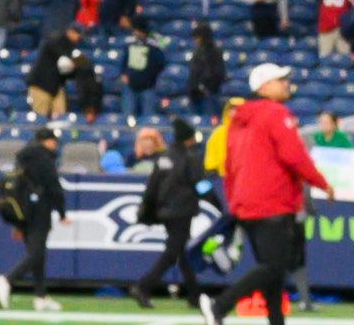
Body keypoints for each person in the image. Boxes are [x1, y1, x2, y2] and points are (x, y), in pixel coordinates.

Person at [200, 63, 329, 325]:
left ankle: (275, 321)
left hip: (247, 203)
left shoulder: (238, 121)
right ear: (263, 86)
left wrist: (234, 202)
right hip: (273, 202)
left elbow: (230, 165)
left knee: (272, 273)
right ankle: (219, 306)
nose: (285, 83)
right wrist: (323, 183)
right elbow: (294, 156)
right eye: (279, 79)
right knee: (275, 266)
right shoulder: (275, 113)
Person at [131, 118, 206, 308]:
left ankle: (194, 295)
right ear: (188, 139)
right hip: (183, 211)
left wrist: (146, 211)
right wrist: (218, 204)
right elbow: (201, 184)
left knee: (181, 252)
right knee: (173, 253)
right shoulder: (191, 156)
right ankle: (143, 286)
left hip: (166, 212)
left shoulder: (164, 157)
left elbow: (152, 186)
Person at [0, 125, 66, 312]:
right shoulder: (44, 159)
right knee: (37, 254)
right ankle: (7, 279)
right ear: (47, 141)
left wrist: (18, 224)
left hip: (24, 211)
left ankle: (41, 297)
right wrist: (63, 213)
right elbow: (54, 187)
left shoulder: (23, 157)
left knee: (36, 254)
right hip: (40, 210)